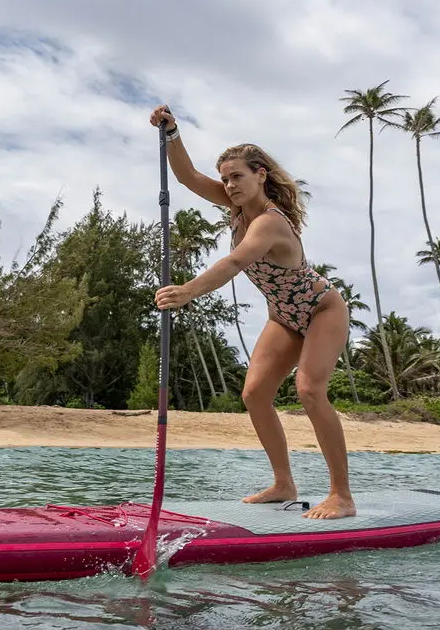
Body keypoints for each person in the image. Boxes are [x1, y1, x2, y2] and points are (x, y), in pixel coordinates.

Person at [148, 104, 355, 520]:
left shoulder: (270, 222)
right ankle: (283, 484)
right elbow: (187, 177)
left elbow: (235, 262)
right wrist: (172, 133)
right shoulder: (236, 207)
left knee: (309, 390)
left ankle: (342, 496)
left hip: (321, 309)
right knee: (255, 393)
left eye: (237, 176)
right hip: (284, 317)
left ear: (260, 174)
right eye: (225, 179)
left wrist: (187, 291)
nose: (229, 185)